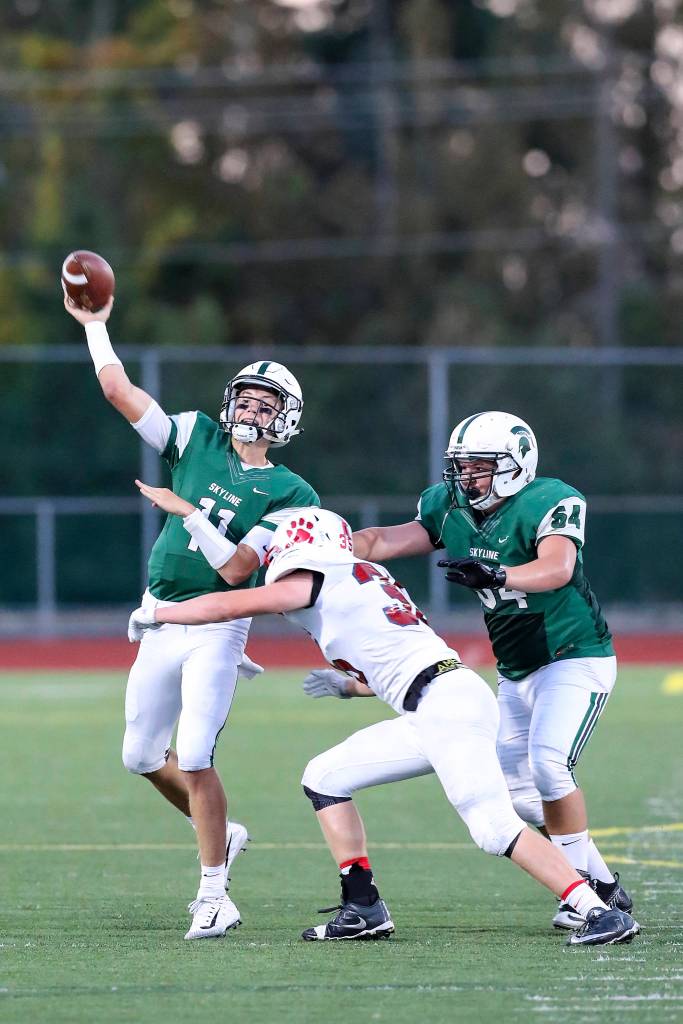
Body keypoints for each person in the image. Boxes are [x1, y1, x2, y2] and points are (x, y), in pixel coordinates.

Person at [128, 507, 640, 947]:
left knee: (493, 826)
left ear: (295, 545)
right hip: (435, 700)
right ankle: (363, 907)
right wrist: (350, 687)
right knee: (325, 776)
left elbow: (231, 603)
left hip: (444, 705)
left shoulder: (315, 575)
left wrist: (163, 613)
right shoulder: (361, 575)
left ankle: (598, 910)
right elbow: (395, 659)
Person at [64, 293, 319, 939]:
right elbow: (119, 391)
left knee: (197, 755)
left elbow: (237, 571)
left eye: (266, 404)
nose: (249, 409)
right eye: (246, 397)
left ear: (284, 420)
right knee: (139, 755)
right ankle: (223, 834)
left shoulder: (292, 492)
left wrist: (189, 513)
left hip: (216, 628)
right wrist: (95, 326)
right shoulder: (197, 434)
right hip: (159, 618)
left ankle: (214, 894)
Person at [350, 410, 632, 930]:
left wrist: (500, 572)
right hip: (515, 668)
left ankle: (587, 897)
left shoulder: (548, 499)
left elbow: (558, 567)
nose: (466, 478)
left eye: (479, 466)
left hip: (574, 656)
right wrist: (335, 543)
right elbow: (390, 539)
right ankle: (603, 884)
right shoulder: (451, 504)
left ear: (514, 465)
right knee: (515, 791)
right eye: (462, 466)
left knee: (550, 767)